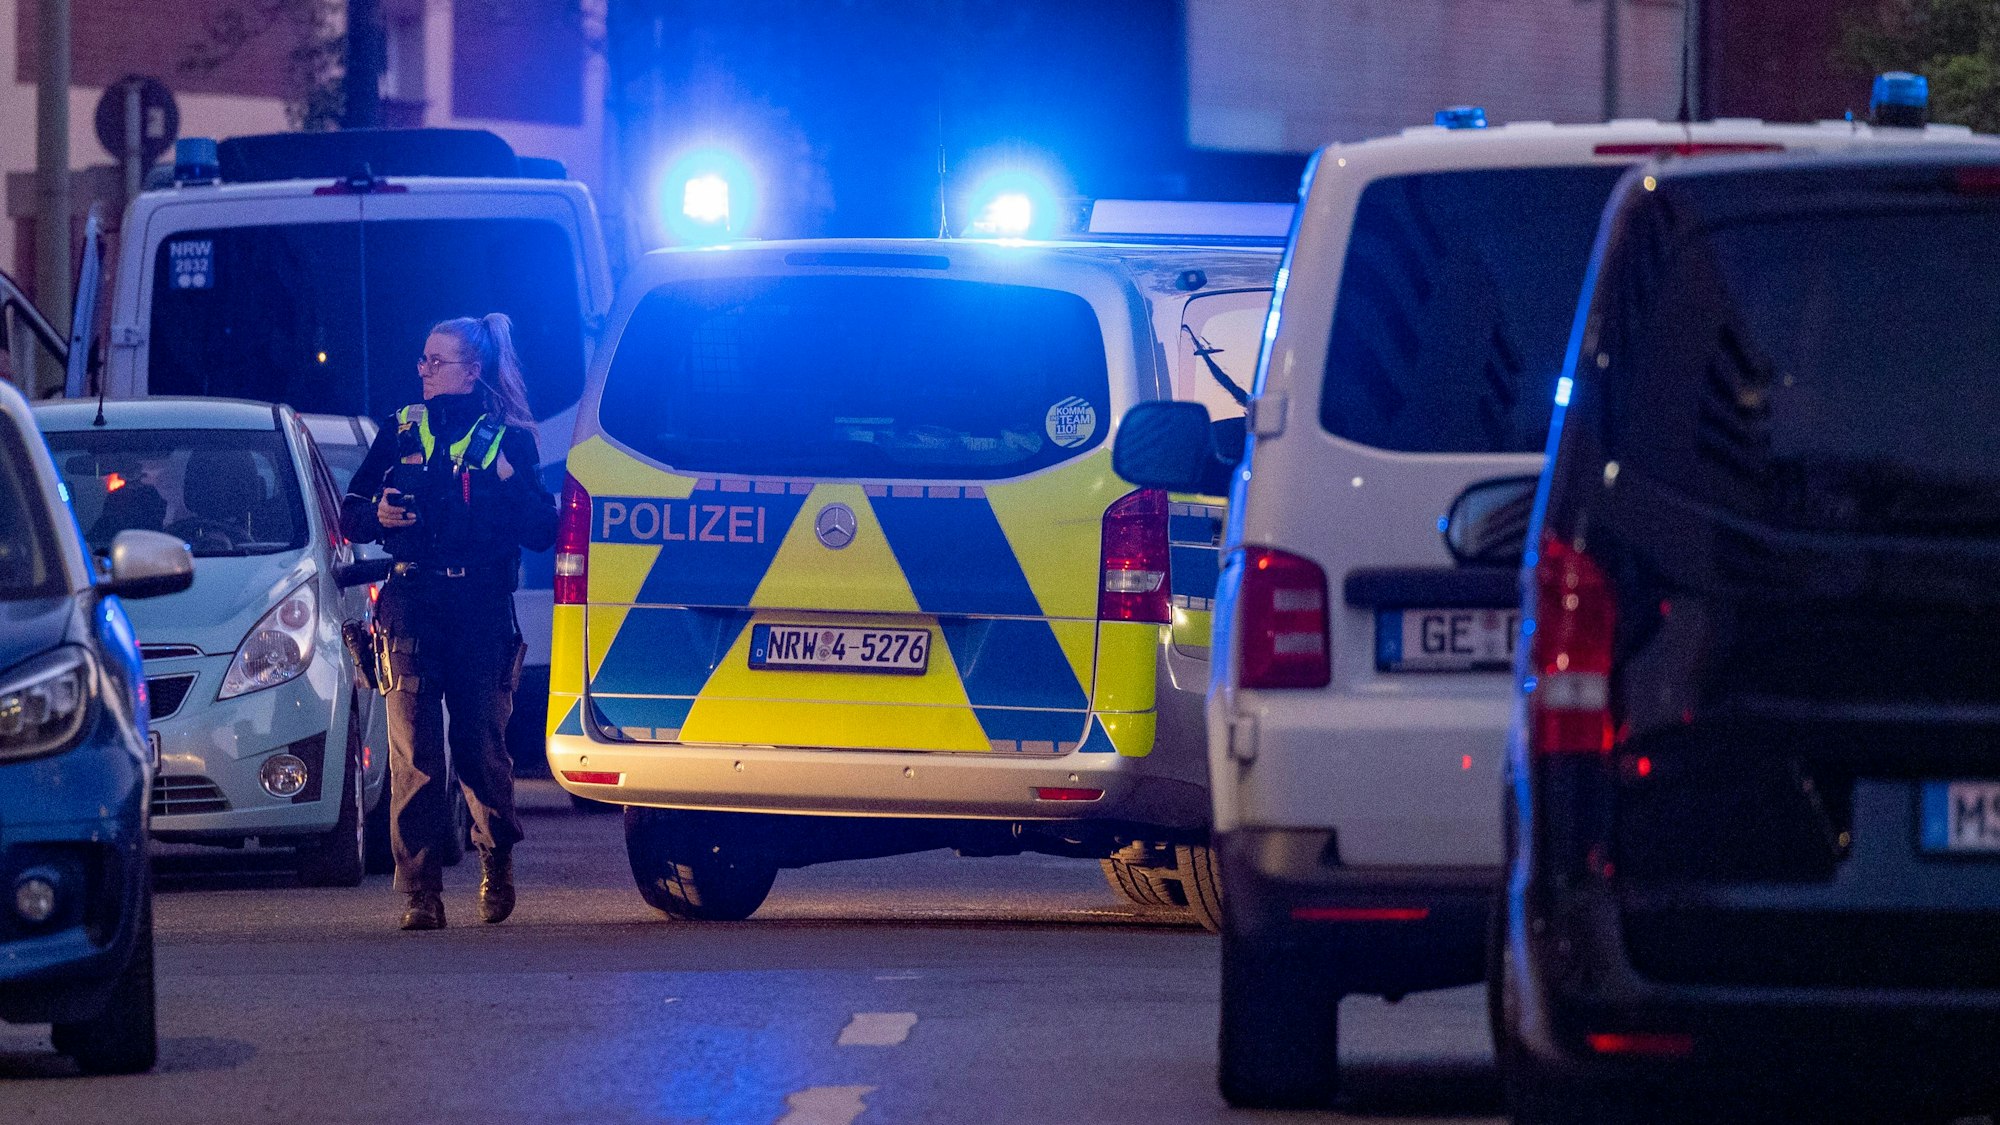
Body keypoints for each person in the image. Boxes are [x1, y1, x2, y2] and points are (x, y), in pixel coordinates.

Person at [341, 314, 557, 930]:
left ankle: (497, 858)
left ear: (473, 370)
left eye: (438, 362)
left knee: (479, 745)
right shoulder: (401, 429)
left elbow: (542, 531)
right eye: (423, 361)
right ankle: (419, 891)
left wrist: (512, 486)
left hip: (482, 607)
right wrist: (379, 514)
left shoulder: (509, 439)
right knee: (414, 750)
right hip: (410, 601)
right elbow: (352, 512)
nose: (426, 372)